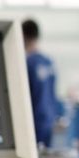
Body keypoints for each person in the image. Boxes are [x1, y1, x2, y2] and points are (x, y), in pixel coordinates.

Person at [22, 19, 59, 148]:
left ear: (23, 36)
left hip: (33, 123)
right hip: (48, 120)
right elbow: (53, 93)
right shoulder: (48, 62)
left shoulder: (28, 63)